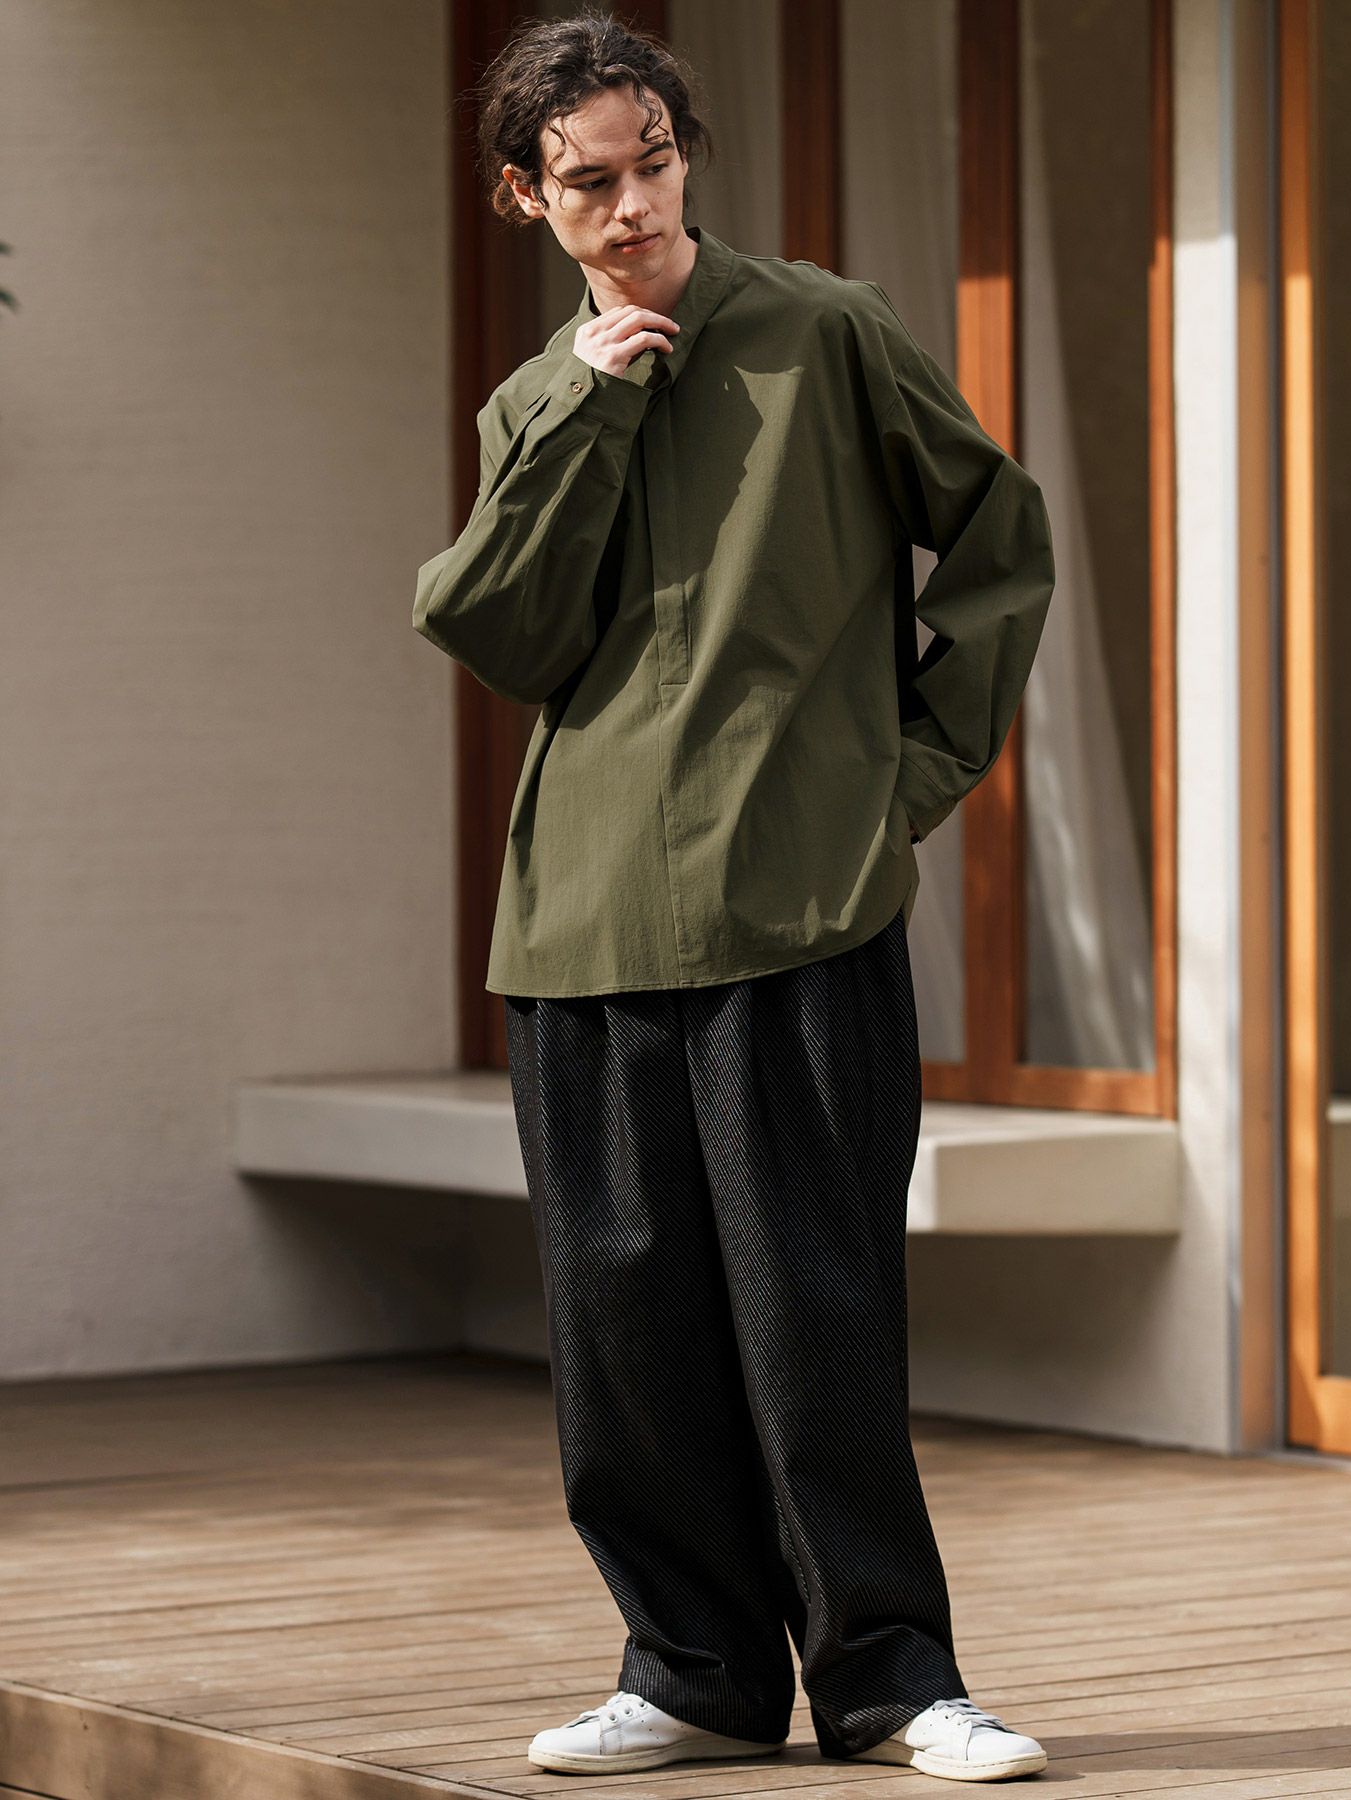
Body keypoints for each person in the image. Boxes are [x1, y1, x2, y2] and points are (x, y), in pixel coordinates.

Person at [412, 7, 1054, 1784]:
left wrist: (903, 783)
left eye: (655, 164)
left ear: (688, 152)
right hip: (583, 919)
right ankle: (691, 1673)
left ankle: (896, 1684)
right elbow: (502, 632)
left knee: (815, 1313)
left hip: (802, 904)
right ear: (525, 199)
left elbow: (998, 543)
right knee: (623, 1334)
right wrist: (595, 409)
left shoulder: (828, 333)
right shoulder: (535, 403)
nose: (632, 209)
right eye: (588, 185)